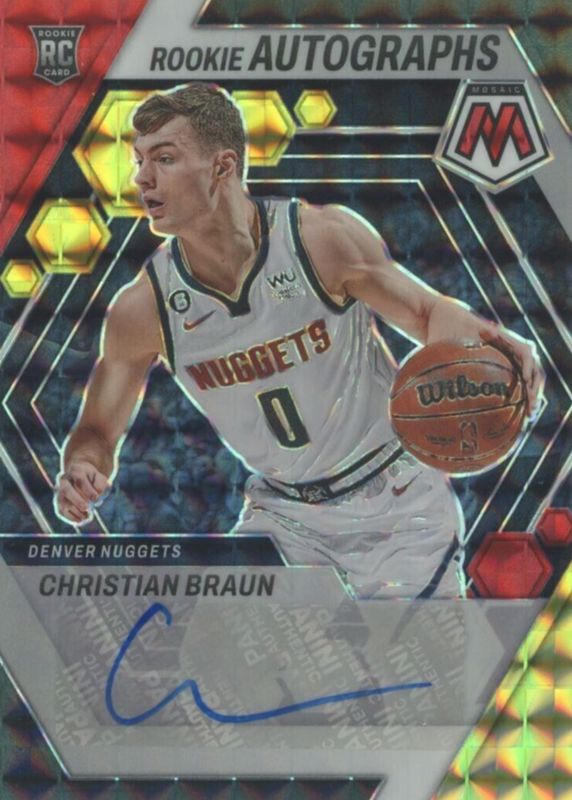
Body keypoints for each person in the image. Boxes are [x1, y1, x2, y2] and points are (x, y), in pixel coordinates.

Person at [55, 83, 544, 598]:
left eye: (165, 158)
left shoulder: (319, 239)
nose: (142, 177)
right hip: (282, 514)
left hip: (395, 501)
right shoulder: (143, 308)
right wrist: (83, 466)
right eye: (139, 160)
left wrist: (491, 342)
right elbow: (96, 429)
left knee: (416, 651)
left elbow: (426, 313)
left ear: (222, 166)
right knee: (222, 641)